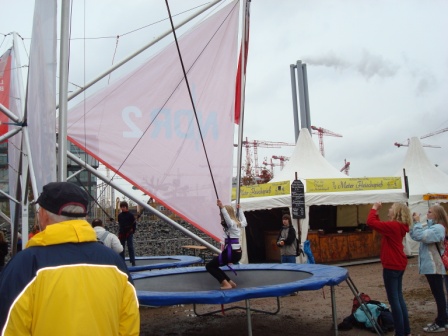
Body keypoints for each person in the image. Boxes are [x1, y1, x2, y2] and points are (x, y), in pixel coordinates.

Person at [0, 182, 140, 335]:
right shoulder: (115, 263)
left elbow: (8, 328)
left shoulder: (25, 266)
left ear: (43, 215)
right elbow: (129, 326)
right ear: (84, 216)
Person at [366, 202, 411, 336]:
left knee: (394, 301)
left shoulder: (394, 226)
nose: (389, 209)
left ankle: (400, 333)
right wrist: (377, 214)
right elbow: (380, 227)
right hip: (399, 263)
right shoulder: (399, 226)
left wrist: (374, 209)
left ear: (396, 212)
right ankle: (406, 331)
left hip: (392, 265)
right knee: (399, 298)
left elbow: (370, 222)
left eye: (391, 208)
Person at [411, 205, 448, 333]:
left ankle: (441, 322)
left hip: (434, 266)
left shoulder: (438, 228)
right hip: (430, 266)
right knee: (438, 293)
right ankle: (444, 319)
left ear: (437, 215)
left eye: (430, 212)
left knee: (439, 294)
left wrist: (416, 222)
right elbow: (415, 235)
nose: (427, 213)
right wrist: (414, 224)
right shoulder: (433, 227)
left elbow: (420, 236)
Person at [206, 199, 247, 290]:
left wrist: (222, 207)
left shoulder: (231, 224)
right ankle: (229, 282)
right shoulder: (238, 224)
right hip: (237, 253)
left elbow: (227, 219)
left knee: (209, 266)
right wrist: (240, 210)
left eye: (221, 215)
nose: (220, 216)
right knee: (214, 266)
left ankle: (226, 284)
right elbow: (245, 221)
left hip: (231, 252)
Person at [118, 201, 137, 266]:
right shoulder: (120, 216)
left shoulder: (130, 215)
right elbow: (120, 224)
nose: (122, 208)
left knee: (130, 246)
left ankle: (133, 261)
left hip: (129, 232)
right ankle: (122, 261)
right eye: (121, 207)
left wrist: (133, 231)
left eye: (124, 207)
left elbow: (134, 224)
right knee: (121, 247)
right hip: (122, 232)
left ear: (126, 207)